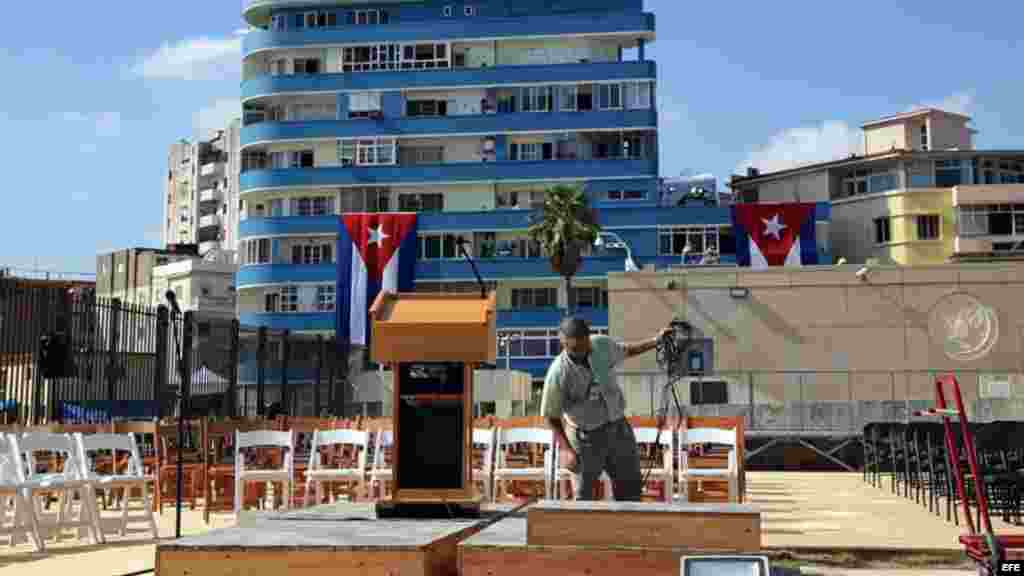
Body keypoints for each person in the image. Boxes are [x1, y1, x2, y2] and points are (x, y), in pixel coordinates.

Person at [540, 316, 672, 501]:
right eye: (575, 349)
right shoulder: (558, 372)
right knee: (582, 499)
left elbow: (626, 350)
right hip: (585, 438)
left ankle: (629, 528)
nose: (583, 353)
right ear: (564, 345)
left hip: (618, 428)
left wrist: (656, 341)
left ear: (588, 337)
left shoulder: (601, 344)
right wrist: (566, 449)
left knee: (631, 490)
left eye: (585, 346)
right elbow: (550, 415)